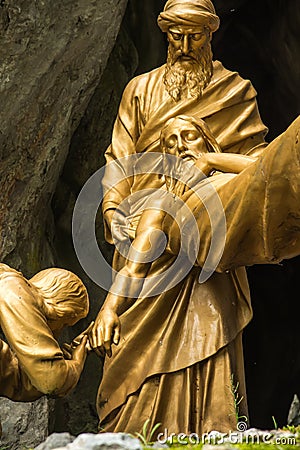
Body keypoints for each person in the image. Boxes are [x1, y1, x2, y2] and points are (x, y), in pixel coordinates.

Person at [90, 0, 300, 436]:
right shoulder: (139, 91)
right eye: (176, 36)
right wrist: (112, 209)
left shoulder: (234, 91)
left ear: (212, 34)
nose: (185, 46)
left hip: (209, 239)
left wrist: (208, 162)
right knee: (129, 346)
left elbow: (259, 169)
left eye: (196, 36)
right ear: (164, 34)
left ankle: (211, 428)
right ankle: (132, 431)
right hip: (145, 236)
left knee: (209, 328)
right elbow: (120, 157)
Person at [0, 263, 90, 402]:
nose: (58, 331)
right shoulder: (12, 288)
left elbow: (16, 381)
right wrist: (76, 364)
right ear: (60, 310)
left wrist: (64, 364)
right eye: (64, 324)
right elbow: (52, 380)